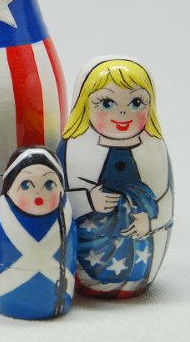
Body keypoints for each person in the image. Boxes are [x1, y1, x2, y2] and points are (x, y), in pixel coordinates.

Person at [57, 57, 173, 298]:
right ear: (83, 106)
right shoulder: (73, 149)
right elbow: (60, 198)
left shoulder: (153, 149)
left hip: (138, 245)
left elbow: (165, 197)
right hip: (92, 244)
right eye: (107, 103)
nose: (122, 112)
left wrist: (150, 222)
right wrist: (89, 200)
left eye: (136, 102)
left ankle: (135, 282)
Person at [0, 146, 76, 319]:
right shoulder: (4, 217)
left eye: (49, 184)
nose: (38, 192)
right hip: (9, 295)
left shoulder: (64, 218)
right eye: (26, 184)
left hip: (54, 292)